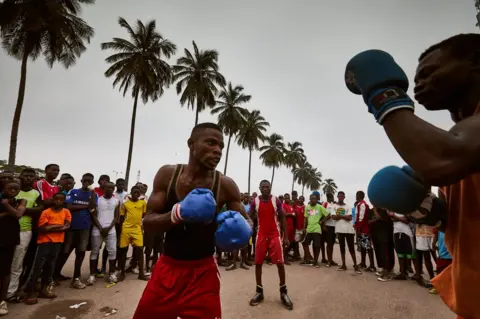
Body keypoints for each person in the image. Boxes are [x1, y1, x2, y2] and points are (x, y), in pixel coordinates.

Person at [346, 33, 480, 318]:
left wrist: (382, 93)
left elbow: (442, 159)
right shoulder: (465, 142)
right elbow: (462, 221)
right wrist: (426, 208)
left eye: (431, 72)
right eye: (417, 77)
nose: (419, 83)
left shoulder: (460, 146)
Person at [133, 123, 252, 319]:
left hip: (203, 273)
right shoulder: (168, 176)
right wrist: (177, 213)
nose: (218, 151)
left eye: (221, 146)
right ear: (192, 144)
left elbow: (247, 220)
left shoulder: (225, 185)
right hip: (167, 269)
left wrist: (242, 230)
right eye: (211, 143)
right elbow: (148, 222)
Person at [249, 180, 293, 310]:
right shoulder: (255, 201)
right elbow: (250, 216)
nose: (265, 189)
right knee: (258, 264)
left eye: (267, 187)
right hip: (261, 235)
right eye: (263, 187)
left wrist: (284, 237)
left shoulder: (276, 201)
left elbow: (283, 217)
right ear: (260, 188)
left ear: (270, 188)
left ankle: (283, 292)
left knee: (280, 264)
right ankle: (259, 292)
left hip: (274, 236)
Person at [23, 192, 71, 305]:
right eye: (56, 199)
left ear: (64, 201)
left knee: (50, 266)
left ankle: (44, 290)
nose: (58, 201)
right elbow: (43, 229)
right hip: (45, 242)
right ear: (53, 200)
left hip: (58, 242)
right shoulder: (46, 212)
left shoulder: (66, 211)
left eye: (61, 200)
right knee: (38, 267)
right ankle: (30, 292)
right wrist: (58, 226)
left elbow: (67, 226)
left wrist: (51, 227)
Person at [55, 173, 97, 289]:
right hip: (71, 227)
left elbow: (93, 207)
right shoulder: (73, 192)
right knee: (65, 252)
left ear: (92, 182)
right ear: (81, 180)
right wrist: (86, 207)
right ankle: (54, 276)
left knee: (80, 253)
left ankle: (76, 278)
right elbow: (69, 207)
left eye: (89, 181)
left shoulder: (94, 194)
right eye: (85, 180)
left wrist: (92, 193)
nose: (87, 183)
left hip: (85, 228)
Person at [7, 169, 41, 301]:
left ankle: (10, 293)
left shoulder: (35, 193)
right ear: (20, 176)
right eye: (26, 176)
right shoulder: (12, 190)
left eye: (31, 177)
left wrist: (22, 210)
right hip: (7, 230)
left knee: (17, 263)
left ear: (34, 179)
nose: (28, 178)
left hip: (25, 231)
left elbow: (39, 210)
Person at [0, 182, 25, 316]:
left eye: (16, 189)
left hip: (10, 238)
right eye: (10, 188)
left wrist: (6, 205)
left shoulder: (21, 201)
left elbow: (18, 214)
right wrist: (6, 214)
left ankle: (2, 300)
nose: (13, 191)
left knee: (5, 270)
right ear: (4, 188)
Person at [87, 182, 119, 285]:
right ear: (103, 188)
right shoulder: (98, 200)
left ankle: (112, 273)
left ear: (114, 189)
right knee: (95, 251)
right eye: (108, 187)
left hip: (111, 230)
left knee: (112, 251)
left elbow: (116, 217)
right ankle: (92, 275)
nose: (110, 189)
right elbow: (94, 216)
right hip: (98, 229)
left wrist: (108, 228)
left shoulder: (116, 201)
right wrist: (101, 228)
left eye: (112, 188)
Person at [118, 186, 149, 281]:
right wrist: (121, 230)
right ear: (131, 193)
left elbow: (144, 214)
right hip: (126, 229)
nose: (136, 193)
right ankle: (122, 273)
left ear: (140, 194)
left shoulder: (143, 203)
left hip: (137, 230)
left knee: (139, 250)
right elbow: (122, 217)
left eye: (138, 192)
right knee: (123, 250)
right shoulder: (125, 204)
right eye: (134, 192)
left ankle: (141, 274)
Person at [333, 191, 361, 273]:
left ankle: (355, 265)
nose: (340, 197)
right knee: (342, 247)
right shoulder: (334, 206)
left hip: (349, 230)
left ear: (344, 197)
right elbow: (333, 217)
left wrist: (340, 216)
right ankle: (343, 264)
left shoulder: (349, 206)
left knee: (351, 248)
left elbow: (350, 218)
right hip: (339, 230)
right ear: (337, 197)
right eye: (339, 196)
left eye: (342, 196)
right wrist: (344, 216)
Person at [302, 193, 329, 267]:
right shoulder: (307, 207)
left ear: (316, 200)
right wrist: (304, 227)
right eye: (312, 198)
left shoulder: (320, 207)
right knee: (305, 243)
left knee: (317, 246)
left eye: (314, 198)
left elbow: (328, 215)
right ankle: (308, 258)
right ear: (310, 199)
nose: (313, 200)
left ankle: (315, 261)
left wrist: (322, 221)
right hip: (309, 229)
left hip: (317, 229)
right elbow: (306, 218)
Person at [370, 207, 395, 282]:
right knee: (380, 252)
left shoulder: (384, 209)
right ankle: (384, 269)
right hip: (377, 233)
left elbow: (379, 217)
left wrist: (374, 210)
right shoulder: (373, 210)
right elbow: (371, 220)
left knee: (385, 252)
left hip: (385, 233)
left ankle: (387, 272)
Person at [388, 211, 415, 280]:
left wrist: (395, 216)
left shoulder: (405, 208)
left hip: (406, 232)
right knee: (400, 253)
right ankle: (402, 272)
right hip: (396, 231)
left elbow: (406, 220)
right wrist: (399, 218)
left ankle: (408, 271)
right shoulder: (394, 209)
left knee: (409, 254)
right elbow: (392, 219)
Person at [354, 191, 376, 272]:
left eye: (357, 195)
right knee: (363, 247)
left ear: (359, 196)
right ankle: (363, 263)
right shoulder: (360, 204)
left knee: (367, 247)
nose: (356, 197)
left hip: (364, 229)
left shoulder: (362, 204)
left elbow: (361, 218)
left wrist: (359, 230)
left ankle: (372, 265)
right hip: (362, 229)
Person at [322, 193, 338, 267]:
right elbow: (322, 215)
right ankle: (328, 261)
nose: (332, 198)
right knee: (328, 244)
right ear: (328, 197)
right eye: (330, 197)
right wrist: (323, 225)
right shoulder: (325, 204)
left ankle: (331, 260)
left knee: (332, 244)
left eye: (332, 196)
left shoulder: (334, 204)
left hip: (334, 226)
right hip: (327, 226)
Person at [281, 193, 295, 265]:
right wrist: (291, 214)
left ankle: (286, 255)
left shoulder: (290, 206)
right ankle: (284, 258)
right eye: (286, 198)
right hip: (286, 227)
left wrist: (291, 214)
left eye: (288, 198)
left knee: (291, 242)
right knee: (285, 243)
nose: (287, 199)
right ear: (284, 199)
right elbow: (285, 214)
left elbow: (294, 214)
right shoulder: (283, 205)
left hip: (291, 227)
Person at [292, 194, 305, 261]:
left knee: (304, 242)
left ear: (304, 200)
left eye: (302, 199)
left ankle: (307, 255)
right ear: (298, 199)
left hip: (303, 227)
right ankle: (296, 254)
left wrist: (305, 227)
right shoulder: (295, 206)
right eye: (300, 198)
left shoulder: (305, 207)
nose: (301, 200)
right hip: (296, 227)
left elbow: (308, 217)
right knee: (295, 242)